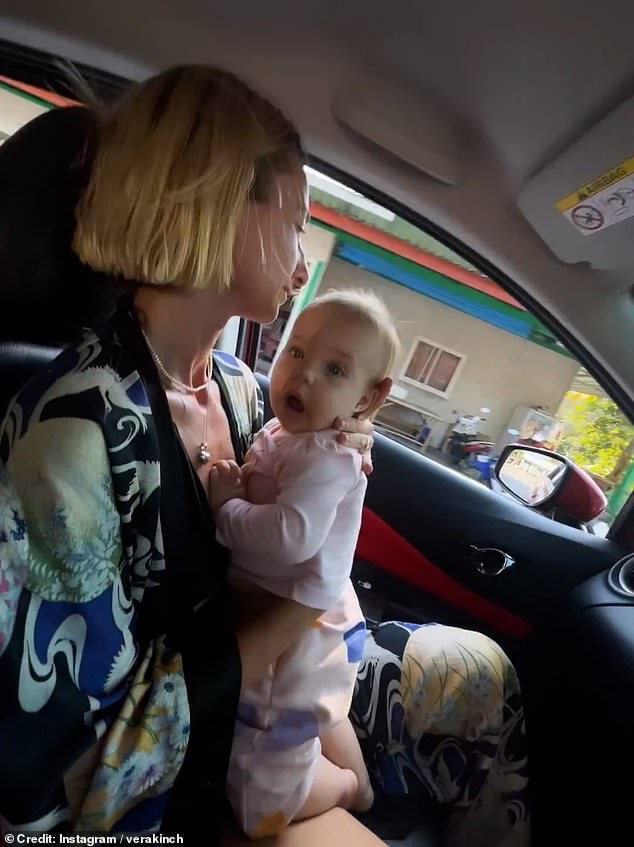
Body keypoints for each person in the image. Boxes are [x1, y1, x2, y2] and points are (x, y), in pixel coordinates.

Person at [0, 67, 530, 847]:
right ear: (217, 206)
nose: (300, 249)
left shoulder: (246, 389)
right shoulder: (73, 436)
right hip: (180, 778)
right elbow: (57, 767)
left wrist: (336, 463)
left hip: (270, 693)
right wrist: (298, 619)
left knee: (482, 671)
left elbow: (284, 543)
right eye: (297, 216)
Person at [209, 290, 399, 836]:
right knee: (309, 719)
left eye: (335, 369)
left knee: (257, 806)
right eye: (296, 353)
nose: (304, 376)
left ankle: (345, 787)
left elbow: (290, 537)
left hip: (293, 638)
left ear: (368, 398)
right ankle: (356, 780)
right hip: (309, 619)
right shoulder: (293, 432)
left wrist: (227, 507)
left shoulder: (326, 455)